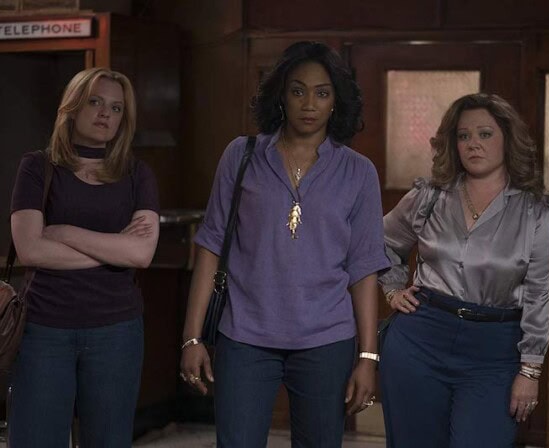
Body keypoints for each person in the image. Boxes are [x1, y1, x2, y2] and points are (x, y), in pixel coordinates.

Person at [180, 41, 390, 448]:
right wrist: (192, 338)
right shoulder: (241, 156)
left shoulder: (358, 172)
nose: (309, 104)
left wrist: (367, 357)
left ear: (336, 101)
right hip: (244, 335)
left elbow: (364, 267)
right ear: (281, 95)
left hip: (326, 340)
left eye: (322, 93)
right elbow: (210, 246)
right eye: (298, 91)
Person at [378, 93, 549, 447]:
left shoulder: (534, 211)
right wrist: (393, 289)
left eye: (485, 134)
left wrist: (530, 370)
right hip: (421, 340)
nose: (473, 144)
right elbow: (379, 243)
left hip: (494, 351)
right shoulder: (429, 197)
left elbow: (539, 292)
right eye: (463, 136)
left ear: (507, 139)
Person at [8, 67, 160, 447]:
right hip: (44, 328)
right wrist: (114, 249)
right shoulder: (37, 167)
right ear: (73, 107)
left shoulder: (137, 174)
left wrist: (65, 233)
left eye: (116, 107)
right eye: (95, 101)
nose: (106, 113)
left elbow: (141, 253)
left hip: (116, 331)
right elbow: (30, 249)